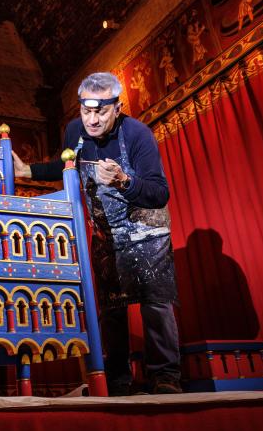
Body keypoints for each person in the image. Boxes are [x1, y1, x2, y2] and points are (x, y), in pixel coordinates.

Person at [12, 72, 182, 395]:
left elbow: (160, 192)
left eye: (100, 111)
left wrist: (123, 181)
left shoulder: (137, 135)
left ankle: (165, 378)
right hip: (107, 235)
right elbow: (66, 167)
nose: (91, 119)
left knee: (154, 305)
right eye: (86, 111)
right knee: (110, 310)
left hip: (147, 231)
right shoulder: (75, 132)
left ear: (117, 108)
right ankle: (118, 381)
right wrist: (29, 171)